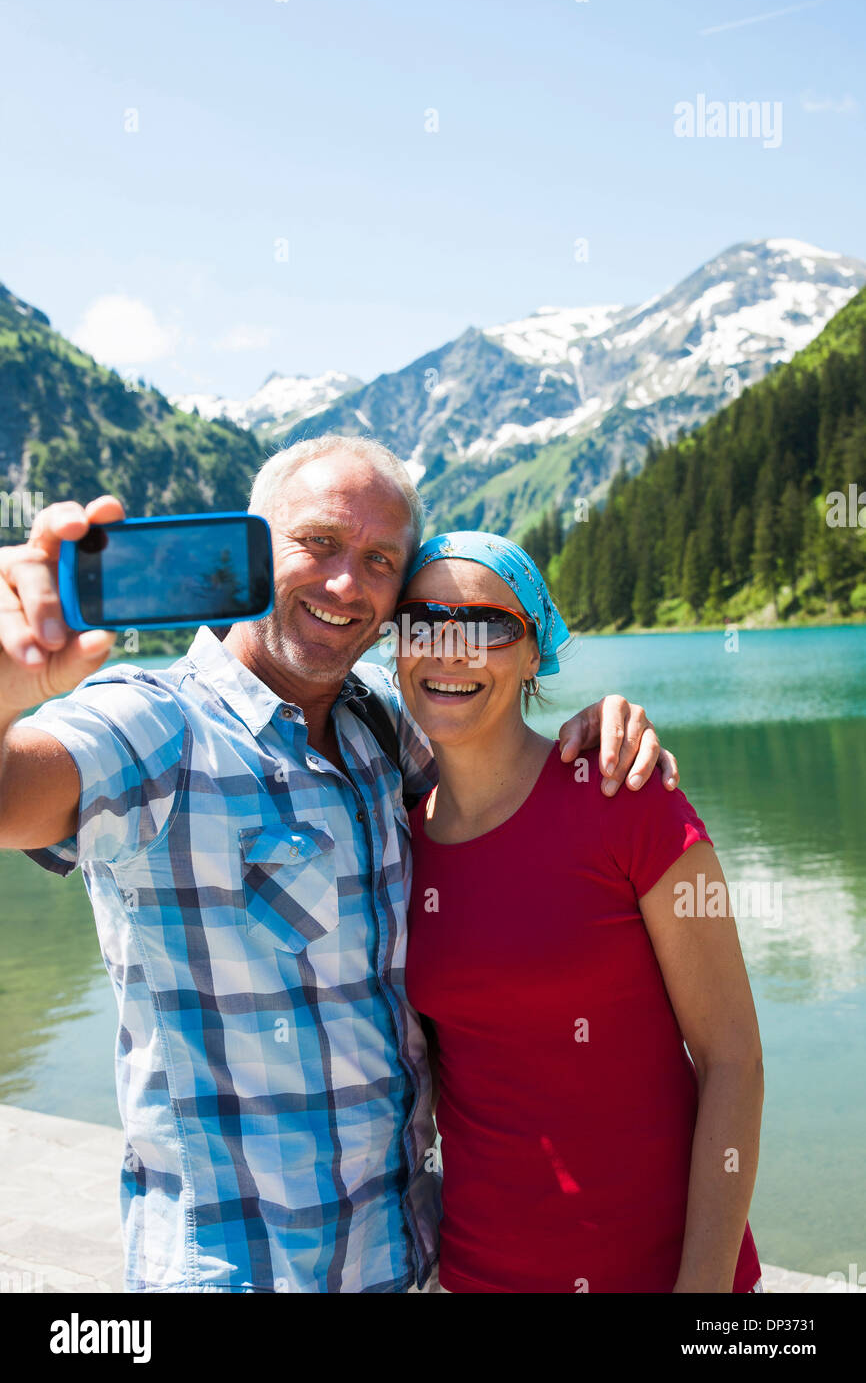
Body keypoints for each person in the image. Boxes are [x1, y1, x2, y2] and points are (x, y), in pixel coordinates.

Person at [0, 437, 676, 1294]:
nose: (346, 584)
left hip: (409, 1255)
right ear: (251, 551)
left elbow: (502, 766)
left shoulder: (386, 732)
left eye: (379, 561)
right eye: (317, 544)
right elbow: (17, 790)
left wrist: (600, 728)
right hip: (236, 1270)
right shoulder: (154, 728)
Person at [399, 531, 764, 1293]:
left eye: (490, 625)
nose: (451, 648)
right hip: (477, 1274)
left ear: (536, 651)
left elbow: (733, 1061)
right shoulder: (393, 836)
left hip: (659, 1275)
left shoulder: (625, 797)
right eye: (423, 619)